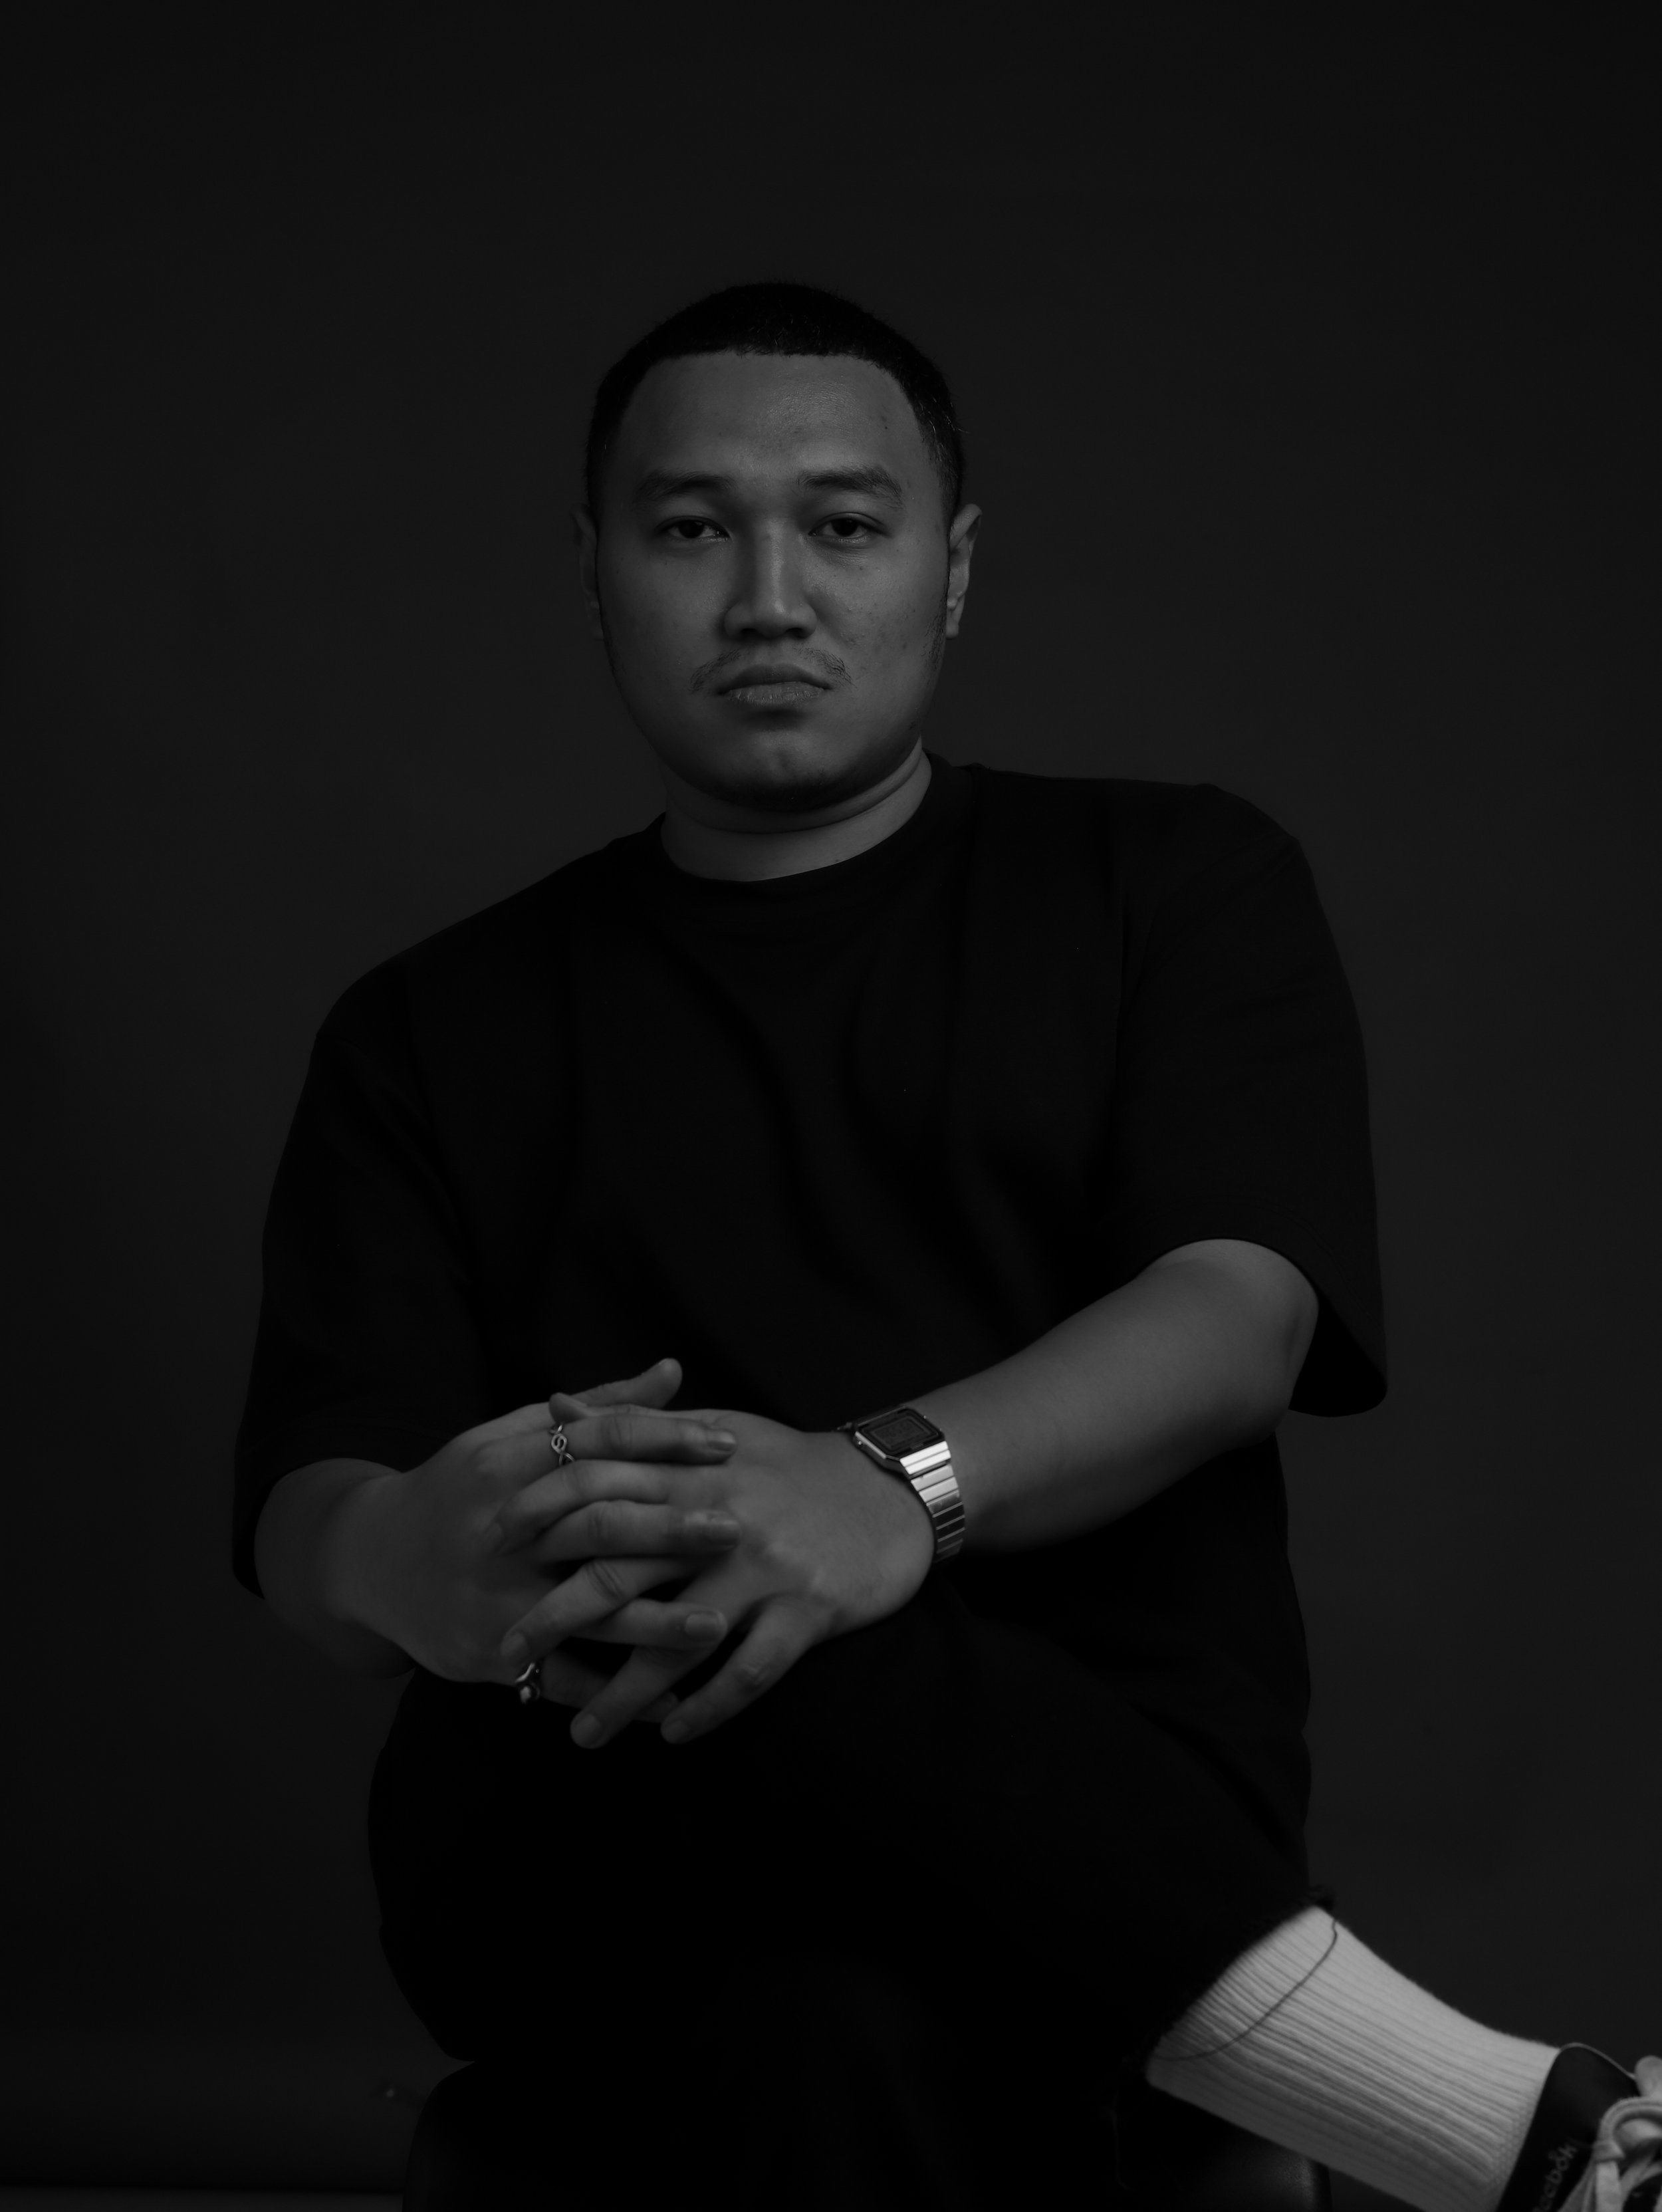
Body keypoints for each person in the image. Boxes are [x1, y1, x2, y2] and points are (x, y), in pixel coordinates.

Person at [235, 282, 1659, 2211]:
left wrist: (879, 1488)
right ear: (592, 572)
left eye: (841, 524)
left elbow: (1237, 1310)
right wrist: (399, 1555)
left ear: (951, 565)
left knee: (830, 2022)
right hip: (584, 1825)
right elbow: (315, 1493)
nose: (764, 596)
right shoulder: (428, 1026)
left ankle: (1420, 2115)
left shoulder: (1170, 885)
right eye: (686, 529)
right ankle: (1518, 2138)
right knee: (681, 1559)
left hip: (1119, 1835)